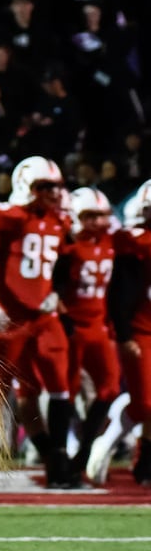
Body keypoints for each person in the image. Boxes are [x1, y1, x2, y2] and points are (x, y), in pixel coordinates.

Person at [0, 156, 75, 487]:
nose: (53, 194)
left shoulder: (59, 222)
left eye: (56, 187)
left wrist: (56, 291)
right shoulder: (8, 218)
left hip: (44, 318)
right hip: (10, 321)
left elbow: (64, 265)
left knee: (60, 389)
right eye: (45, 187)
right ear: (27, 186)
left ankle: (57, 461)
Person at [55, 187, 119, 484]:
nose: (96, 222)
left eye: (100, 216)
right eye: (89, 216)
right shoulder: (63, 248)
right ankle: (63, 457)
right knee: (66, 392)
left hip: (98, 326)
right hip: (72, 327)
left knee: (109, 389)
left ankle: (82, 454)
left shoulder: (112, 242)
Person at [110, 179, 151, 487]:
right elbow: (120, 293)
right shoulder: (134, 241)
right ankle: (116, 433)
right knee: (146, 404)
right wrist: (125, 334)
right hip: (142, 328)